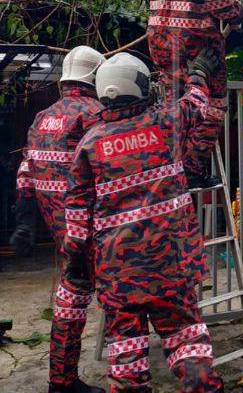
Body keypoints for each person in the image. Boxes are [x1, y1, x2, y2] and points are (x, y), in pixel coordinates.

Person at [62, 51, 223, 392]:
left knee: (127, 357)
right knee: (186, 341)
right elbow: (196, 103)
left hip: (119, 274)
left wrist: (75, 257)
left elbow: (77, 217)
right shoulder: (166, 122)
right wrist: (199, 72)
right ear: (140, 89)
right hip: (172, 264)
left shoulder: (89, 144)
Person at [10, 45, 107, 393]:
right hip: (96, 229)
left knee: (69, 301)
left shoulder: (41, 118)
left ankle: (61, 380)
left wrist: (26, 218)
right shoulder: (96, 114)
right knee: (126, 299)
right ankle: (131, 376)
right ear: (96, 78)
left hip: (59, 229)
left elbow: (25, 170)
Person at [147, 0, 243, 186]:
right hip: (199, 57)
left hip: (165, 54)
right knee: (211, 109)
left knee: (175, 112)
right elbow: (230, 14)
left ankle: (172, 168)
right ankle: (192, 170)